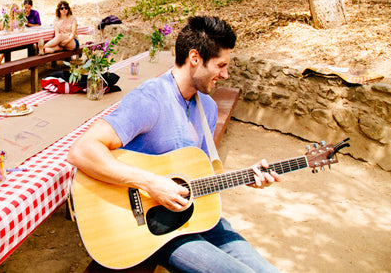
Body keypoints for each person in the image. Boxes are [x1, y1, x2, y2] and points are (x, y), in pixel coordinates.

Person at [67, 16, 280, 273]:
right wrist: (151, 183)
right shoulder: (150, 99)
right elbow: (82, 150)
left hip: (190, 214)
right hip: (151, 226)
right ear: (194, 58)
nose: (226, 74)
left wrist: (244, 176)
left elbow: (196, 172)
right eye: (221, 65)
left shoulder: (207, 108)